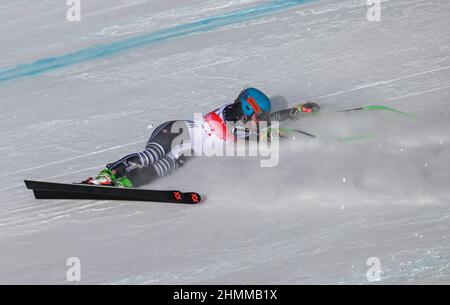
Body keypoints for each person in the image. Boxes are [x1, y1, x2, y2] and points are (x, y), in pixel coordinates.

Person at [83, 87, 319, 188]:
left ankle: (127, 183)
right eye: (258, 114)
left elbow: (268, 122)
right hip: (176, 132)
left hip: (187, 151)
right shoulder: (232, 113)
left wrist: (295, 112)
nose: (260, 119)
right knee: (151, 155)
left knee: (165, 166)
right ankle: (108, 174)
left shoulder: (246, 124)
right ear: (248, 109)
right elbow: (242, 130)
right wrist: (268, 136)